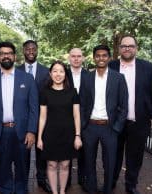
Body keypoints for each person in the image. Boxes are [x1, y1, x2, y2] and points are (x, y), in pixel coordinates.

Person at [0, 41, 38, 194]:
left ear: (14, 56)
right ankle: (5, 190)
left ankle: (21, 190)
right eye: (3, 53)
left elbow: (34, 108)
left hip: (21, 133)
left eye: (9, 53)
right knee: (2, 168)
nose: (6, 56)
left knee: (23, 167)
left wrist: (32, 131)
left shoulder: (27, 79)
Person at [109, 35, 152, 194]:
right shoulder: (111, 66)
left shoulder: (148, 67)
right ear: (119, 49)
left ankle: (131, 185)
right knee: (114, 155)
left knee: (135, 157)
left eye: (130, 46)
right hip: (115, 122)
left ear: (136, 48)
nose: (127, 48)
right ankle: (111, 182)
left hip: (139, 121)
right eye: (124, 46)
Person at [80, 45, 128, 194]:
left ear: (109, 58)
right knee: (89, 161)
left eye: (104, 55)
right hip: (90, 127)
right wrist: (83, 125)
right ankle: (92, 189)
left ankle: (107, 190)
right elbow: (82, 103)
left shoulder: (118, 78)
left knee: (110, 162)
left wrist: (117, 128)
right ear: (94, 57)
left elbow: (124, 105)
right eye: (98, 55)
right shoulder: (87, 77)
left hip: (110, 127)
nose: (101, 58)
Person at [37, 61, 82, 194]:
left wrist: (77, 136)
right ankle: (55, 192)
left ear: (65, 74)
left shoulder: (73, 92)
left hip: (68, 134)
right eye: (55, 71)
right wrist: (39, 138)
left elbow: (76, 116)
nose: (58, 74)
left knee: (65, 164)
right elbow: (42, 117)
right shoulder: (44, 92)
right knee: (51, 164)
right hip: (50, 134)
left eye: (61, 71)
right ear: (50, 74)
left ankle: (62, 191)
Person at [17, 40, 51, 193]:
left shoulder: (46, 71)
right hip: (22, 119)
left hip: (43, 119)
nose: (31, 51)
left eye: (33, 49)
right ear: (23, 51)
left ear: (37, 51)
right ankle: (22, 181)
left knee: (41, 151)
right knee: (23, 152)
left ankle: (41, 179)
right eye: (28, 49)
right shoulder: (15, 71)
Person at [66, 48, 88, 189]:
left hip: (85, 119)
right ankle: (66, 181)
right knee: (66, 152)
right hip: (66, 119)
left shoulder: (90, 75)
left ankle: (82, 179)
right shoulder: (63, 74)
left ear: (83, 58)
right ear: (69, 58)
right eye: (73, 56)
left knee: (84, 153)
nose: (76, 59)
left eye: (79, 56)